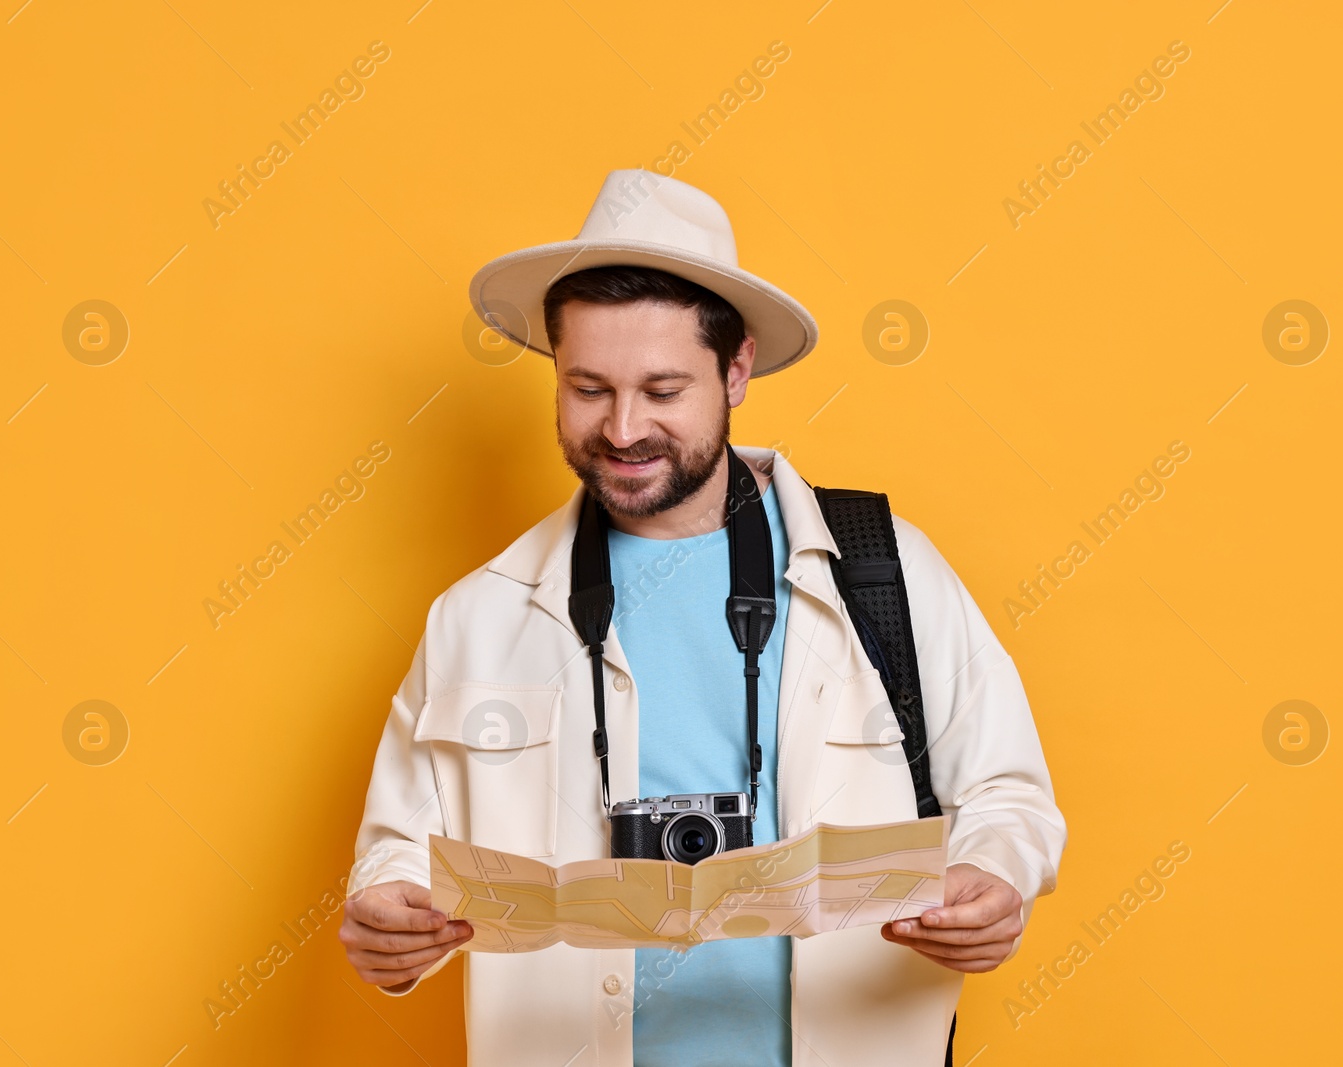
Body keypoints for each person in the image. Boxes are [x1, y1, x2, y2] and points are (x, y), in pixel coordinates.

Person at [339, 169, 1067, 1066]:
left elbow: (1007, 791)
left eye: (664, 389)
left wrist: (995, 879)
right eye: (589, 388)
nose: (623, 428)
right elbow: (397, 852)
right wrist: (387, 918)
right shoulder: (477, 616)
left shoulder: (887, 570)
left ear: (738, 369)